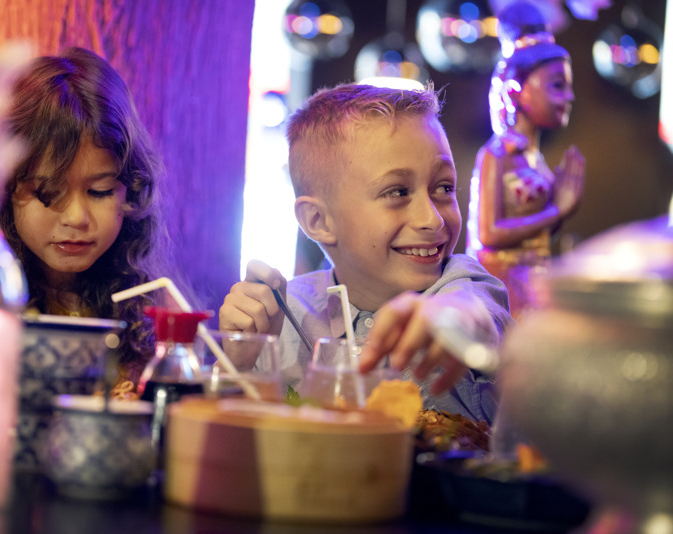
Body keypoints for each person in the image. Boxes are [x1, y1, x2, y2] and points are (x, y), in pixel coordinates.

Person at [219, 83, 512, 424]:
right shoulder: (285, 314)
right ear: (319, 221)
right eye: (397, 192)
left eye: (444, 188)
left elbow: (475, 312)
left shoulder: (463, 282)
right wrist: (240, 363)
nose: (432, 219)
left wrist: (451, 318)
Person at [0, 47, 171, 385]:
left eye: (101, 191)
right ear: (3, 187)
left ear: (131, 193)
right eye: (47, 192)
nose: (77, 218)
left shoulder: (151, 308)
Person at [466, 2, 585, 318]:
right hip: (501, 287)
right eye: (558, 86)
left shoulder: (536, 159)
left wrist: (557, 214)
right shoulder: (497, 155)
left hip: (534, 281)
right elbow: (488, 235)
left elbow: (537, 234)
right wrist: (558, 210)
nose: (569, 98)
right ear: (517, 90)